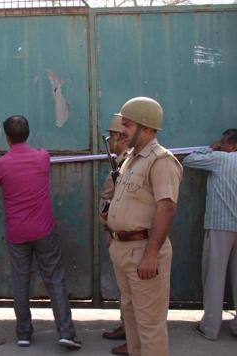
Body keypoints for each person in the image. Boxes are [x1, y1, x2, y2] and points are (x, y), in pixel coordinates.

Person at [0, 115, 81, 350]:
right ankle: (66, 332)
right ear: (28, 133)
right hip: (44, 229)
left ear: (6, 137)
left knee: (20, 281)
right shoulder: (42, 156)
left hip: (17, 232)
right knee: (55, 279)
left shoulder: (0, 165)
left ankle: (24, 334)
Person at [106, 97, 182, 356]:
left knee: (149, 326)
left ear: (146, 127)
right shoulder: (131, 159)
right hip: (123, 250)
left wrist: (151, 254)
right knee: (132, 322)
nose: (121, 131)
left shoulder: (160, 160)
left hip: (143, 252)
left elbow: (167, 207)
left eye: (126, 125)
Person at [183, 129, 237, 342]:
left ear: (233, 146)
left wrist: (211, 148)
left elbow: (190, 160)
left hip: (219, 226)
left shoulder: (218, 159)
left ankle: (210, 327)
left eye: (223, 142)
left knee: (214, 276)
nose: (219, 144)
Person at [100, 116, 130, 356]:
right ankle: (126, 327)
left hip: (129, 237)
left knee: (133, 294)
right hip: (117, 235)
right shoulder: (120, 162)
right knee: (125, 292)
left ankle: (135, 339)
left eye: (112, 135)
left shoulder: (129, 164)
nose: (109, 141)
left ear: (121, 138)